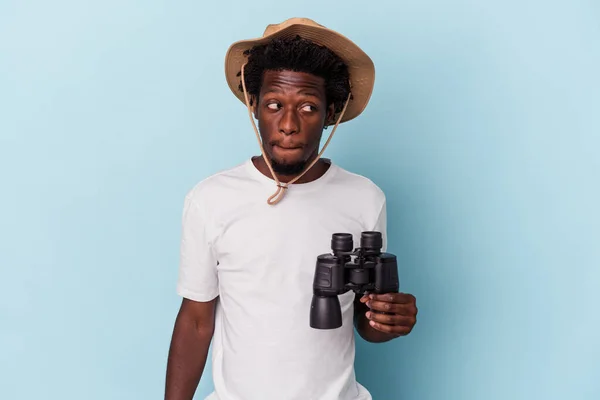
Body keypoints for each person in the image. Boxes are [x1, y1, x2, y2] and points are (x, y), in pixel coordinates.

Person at [164, 18, 418, 400]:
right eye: (274, 104)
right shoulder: (211, 198)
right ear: (254, 105)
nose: (288, 124)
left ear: (331, 113)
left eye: (308, 107)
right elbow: (197, 320)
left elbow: (365, 323)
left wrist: (389, 318)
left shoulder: (365, 198)